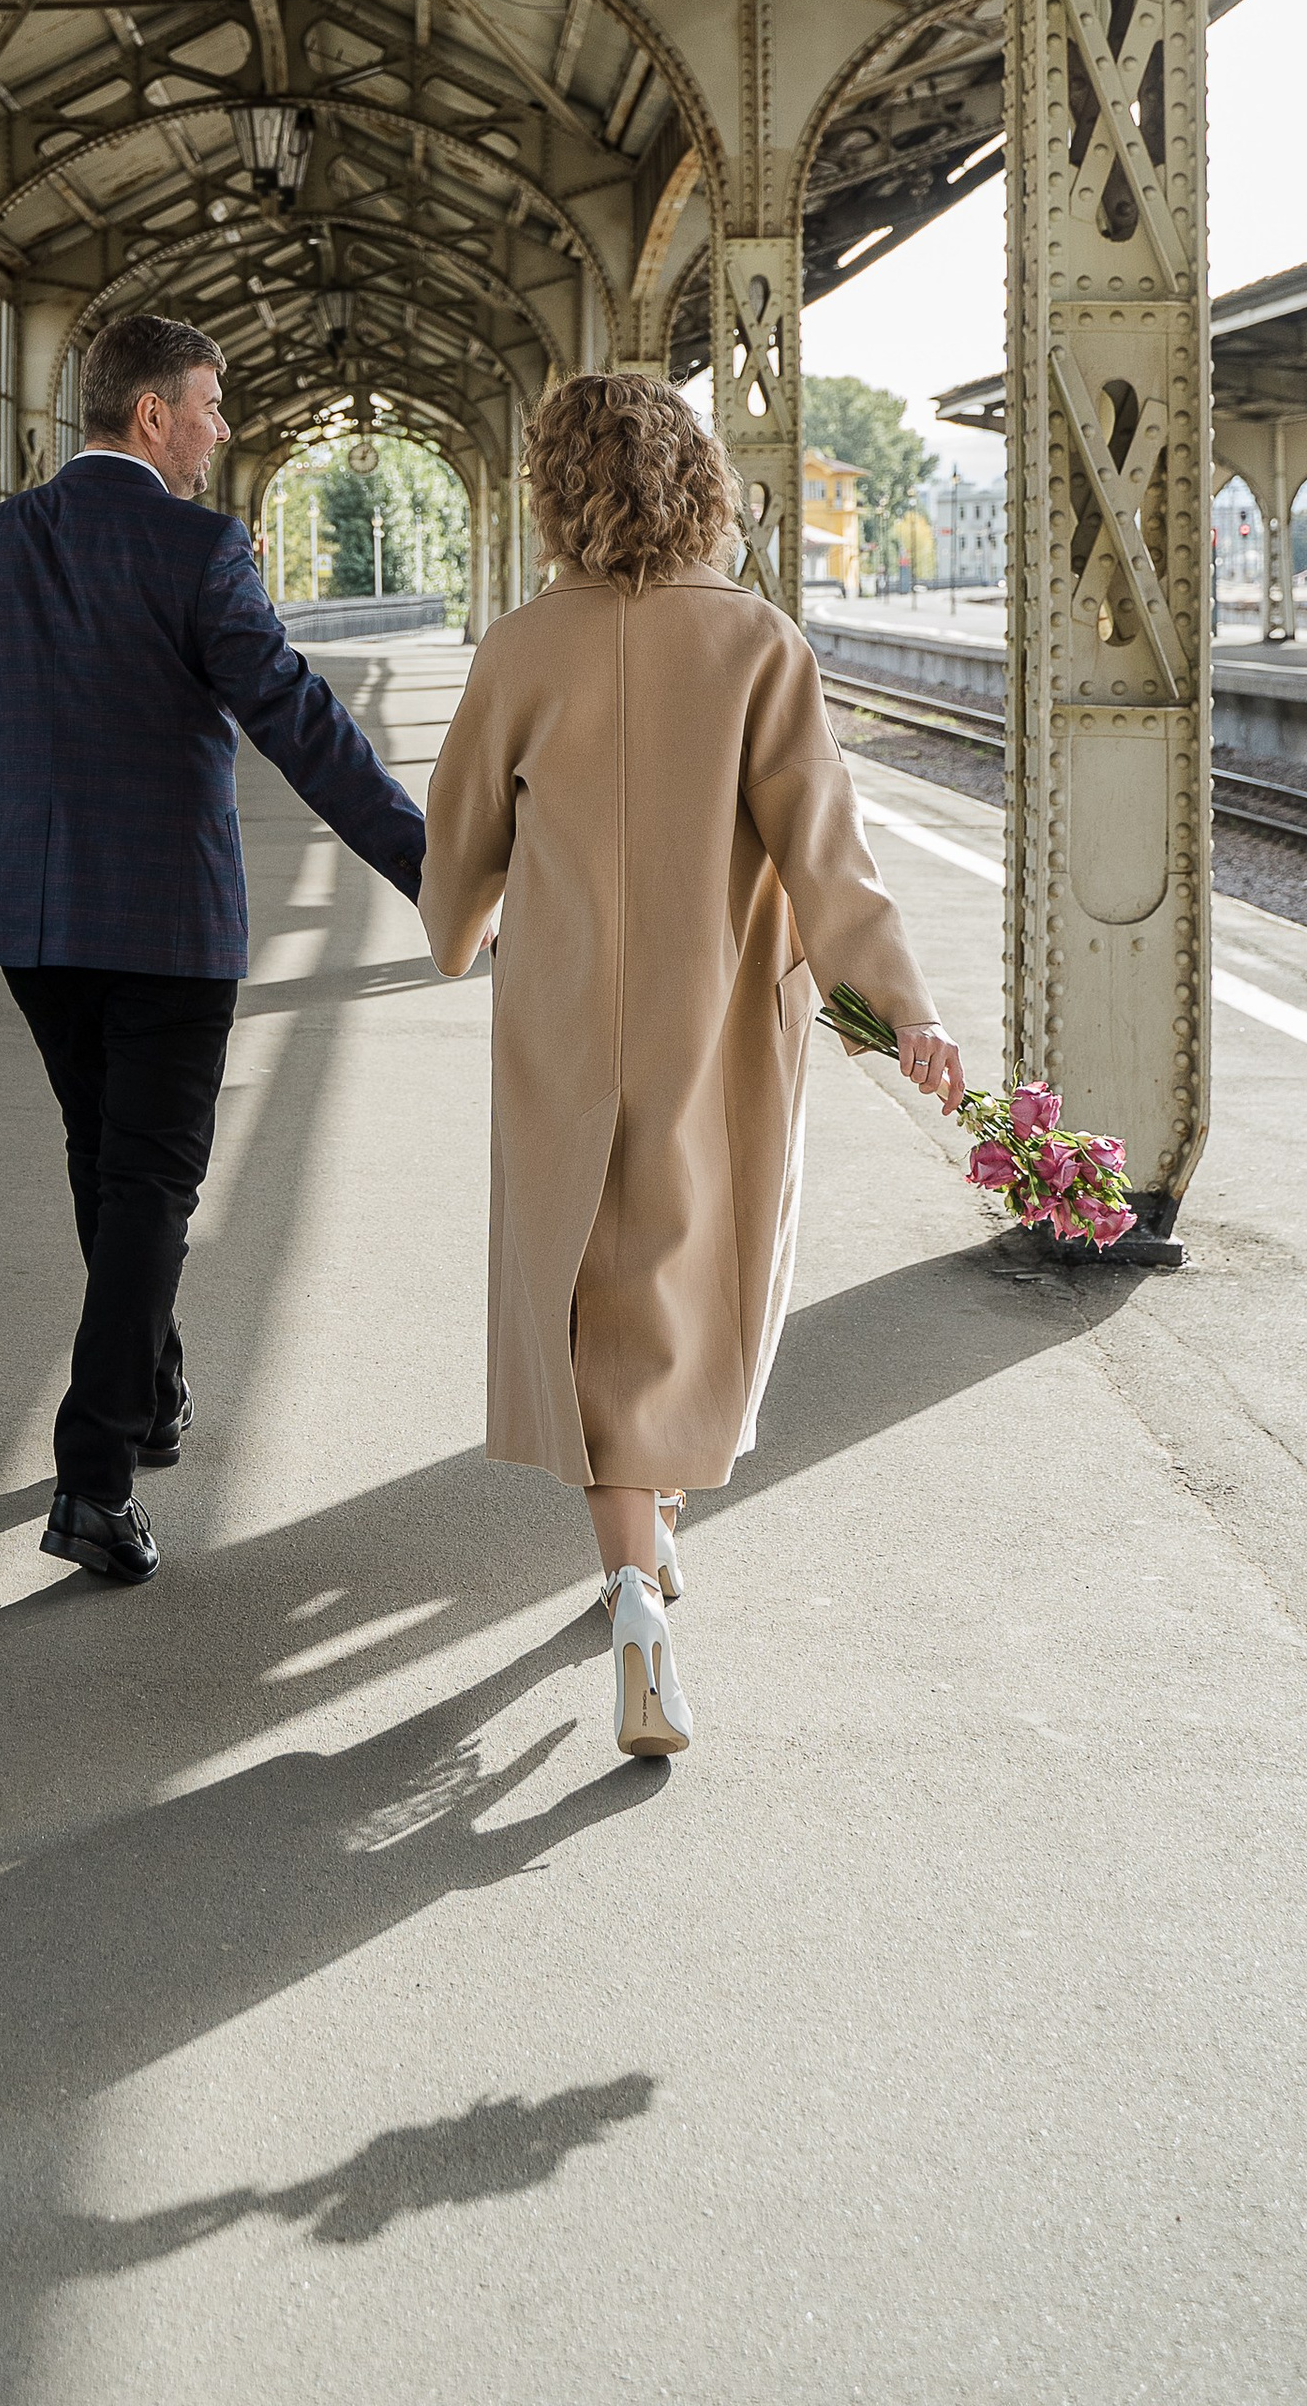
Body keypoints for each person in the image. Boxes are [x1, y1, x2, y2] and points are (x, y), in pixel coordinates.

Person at [418, 372, 963, 1762]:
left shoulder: (519, 650)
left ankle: (630, 1591)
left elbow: (457, 864)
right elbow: (827, 861)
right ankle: (653, 1563)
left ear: (553, 487)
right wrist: (900, 1011)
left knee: (586, 1296)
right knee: (684, 1279)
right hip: (716, 1020)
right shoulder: (760, 644)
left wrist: (465, 925)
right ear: (698, 480)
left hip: (561, 1025)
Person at [0, 314, 427, 1587]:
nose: (222, 431)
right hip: (167, 927)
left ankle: (151, 1391)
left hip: (34, 928)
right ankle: (94, 1477)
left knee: (108, 1164)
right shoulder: (197, 548)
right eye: (211, 407)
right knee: (151, 1185)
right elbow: (296, 720)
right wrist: (434, 869)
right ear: (152, 415)